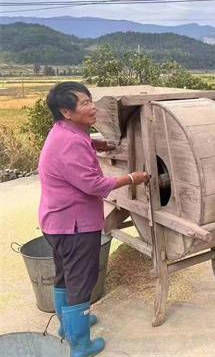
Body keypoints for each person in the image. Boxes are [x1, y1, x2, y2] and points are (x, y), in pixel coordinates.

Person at [38, 82, 151, 357]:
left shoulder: (64, 132)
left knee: (65, 276)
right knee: (81, 282)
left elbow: (78, 147)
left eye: (91, 100)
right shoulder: (70, 144)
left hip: (57, 222)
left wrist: (95, 144)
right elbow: (94, 185)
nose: (92, 108)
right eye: (84, 103)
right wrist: (132, 178)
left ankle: (68, 326)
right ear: (66, 112)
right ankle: (80, 345)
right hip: (74, 227)